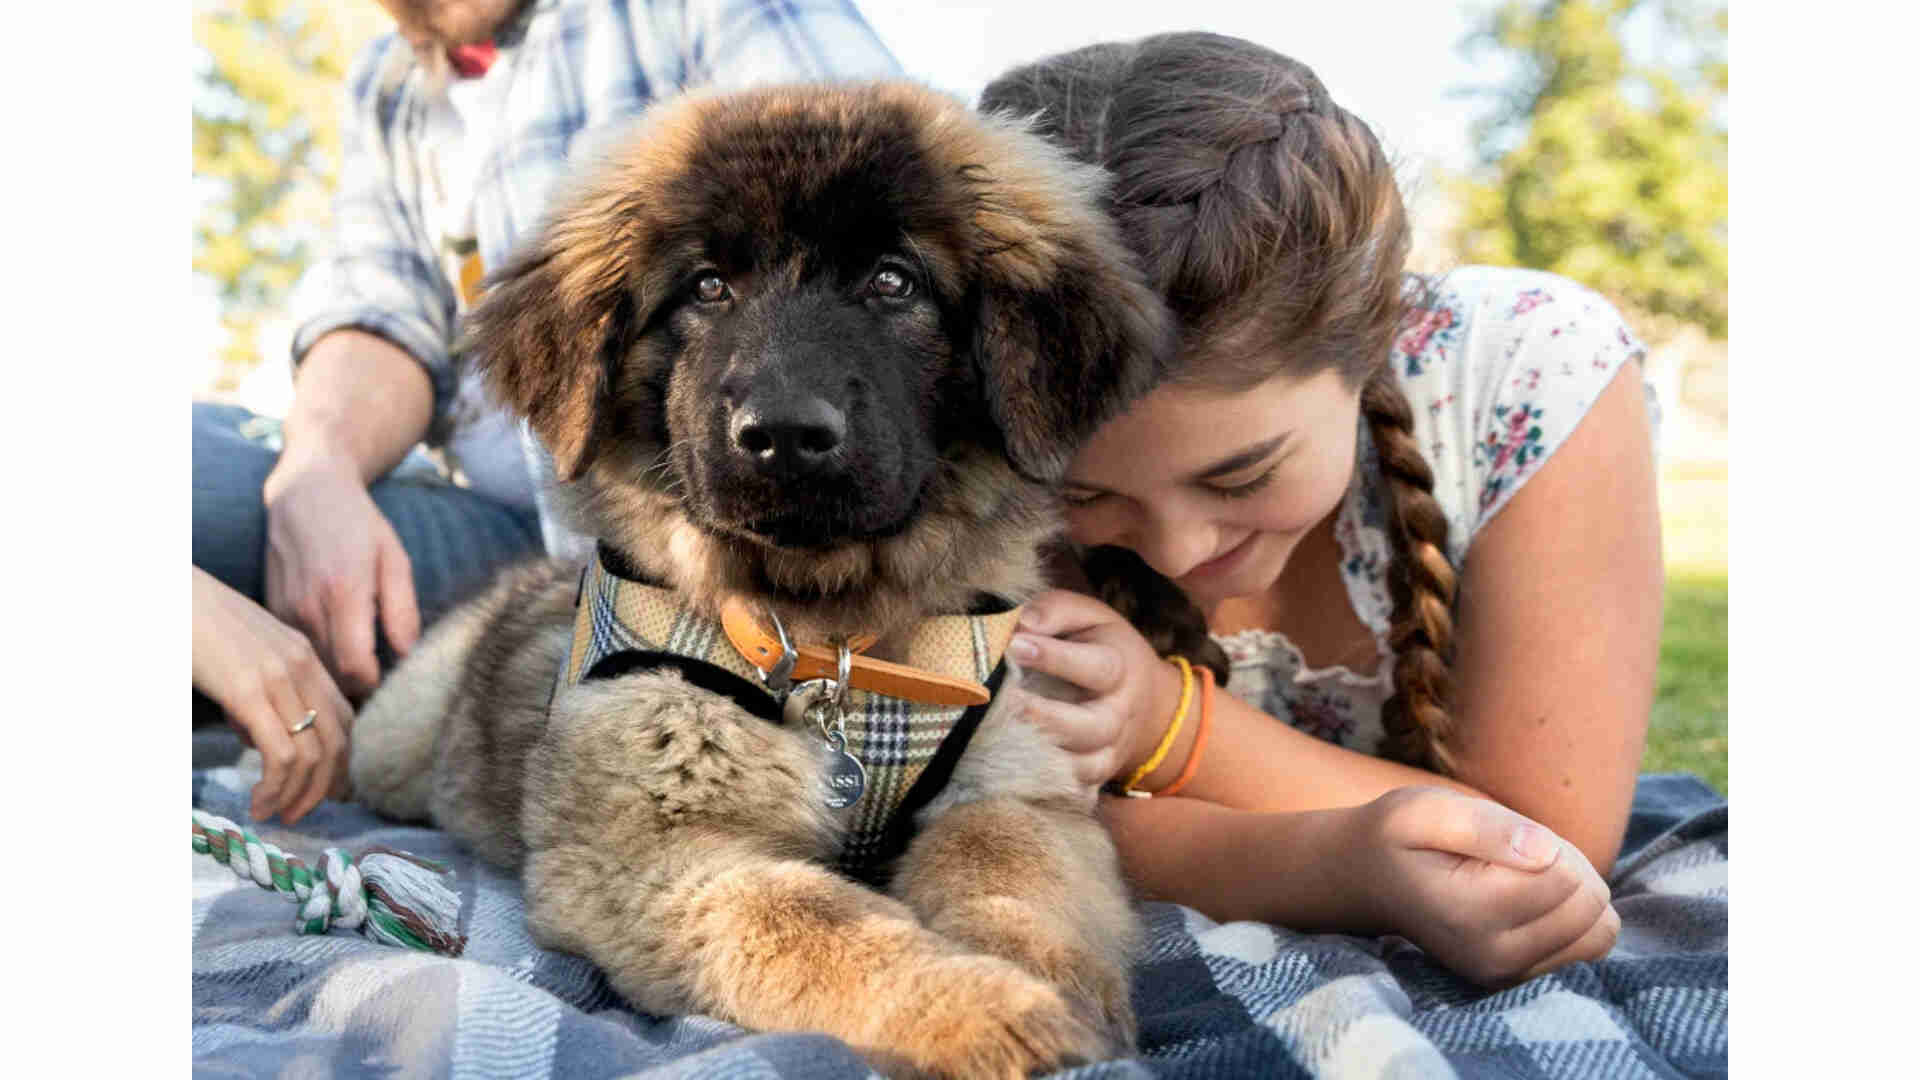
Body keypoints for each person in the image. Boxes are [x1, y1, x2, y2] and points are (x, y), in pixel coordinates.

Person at [983, 33, 1665, 987]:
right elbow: (986, 826)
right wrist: (1337, 868)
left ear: (1378, 323)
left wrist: (1169, 725)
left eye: (1239, 476)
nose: (1176, 551)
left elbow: (1547, 856)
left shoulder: (1532, 371)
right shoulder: (970, 452)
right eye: (1085, 493)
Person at [192, 0, 900, 820]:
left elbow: (892, 201)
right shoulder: (389, 86)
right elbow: (381, 315)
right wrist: (316, 475)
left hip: (698, 556)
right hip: (498, 543)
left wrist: (1033, 613)